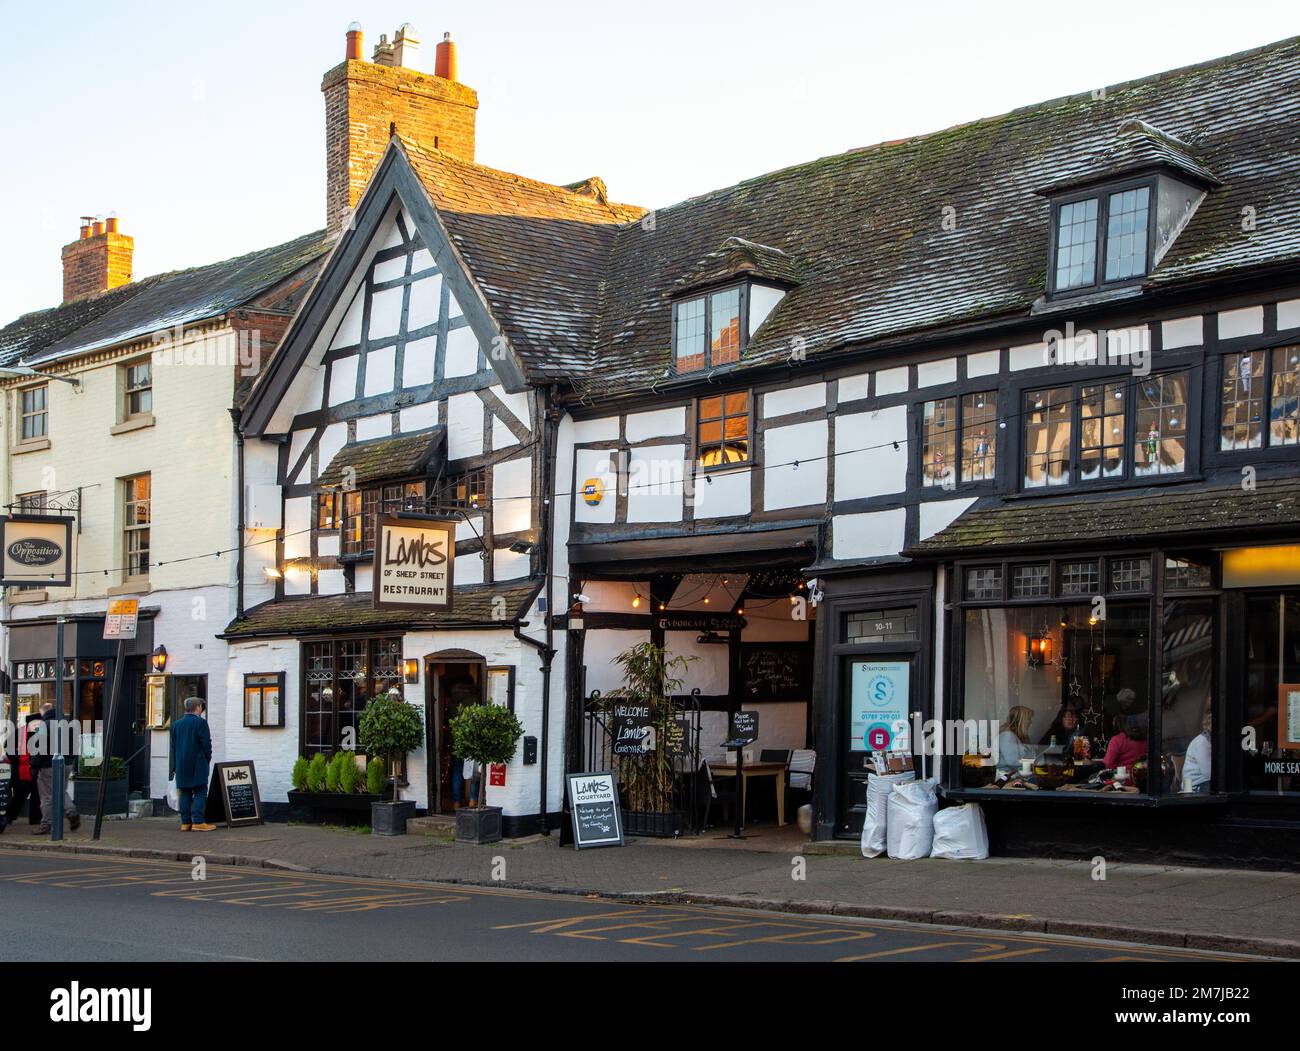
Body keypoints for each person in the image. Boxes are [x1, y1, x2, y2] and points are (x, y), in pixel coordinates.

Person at [29, 702, 80, 835]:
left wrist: (34, 766)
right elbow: (75, 744)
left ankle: (46, 824)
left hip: (48, 765)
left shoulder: (43, 726)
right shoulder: (67, 724)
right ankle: (71, 811)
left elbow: (37, 748)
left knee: (47, 796)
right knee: (61, 791)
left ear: (43, 713)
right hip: (67, 764)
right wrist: (70, 760)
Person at [170, 696, 215, 831]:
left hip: (181, 764)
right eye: (201, 707)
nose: (201, 709)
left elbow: (173, 747)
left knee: (185, 793)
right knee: (200, 791)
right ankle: (198, 822)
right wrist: (207, 759)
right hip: (198, 763)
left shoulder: (176, 724)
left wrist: (175, 765)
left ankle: (185, 823)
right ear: (198, 707)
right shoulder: (200, 723)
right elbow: (206, 745)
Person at [5, 714, 43, 828]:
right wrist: (17, 760)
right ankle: (9, 816)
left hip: (35, 770)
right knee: (19, 796)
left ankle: (35, 819)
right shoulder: (19, 733)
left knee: (36, 796)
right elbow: (8, 747)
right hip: (21, 771)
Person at [997, 705, 1036, 774]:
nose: (1031, 722)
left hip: (1018, 774)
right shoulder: (1007, 735)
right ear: (1022, 720)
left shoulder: (1019, 735)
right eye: (1029, 719)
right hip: (1007, 776)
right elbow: (1012, 762)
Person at [1182, 711, 1212, 792]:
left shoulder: (1210, 740)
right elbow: (1208, 773)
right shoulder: (1202, 742)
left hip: (1205, 782)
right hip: (1194, 785)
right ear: (1209, 726)